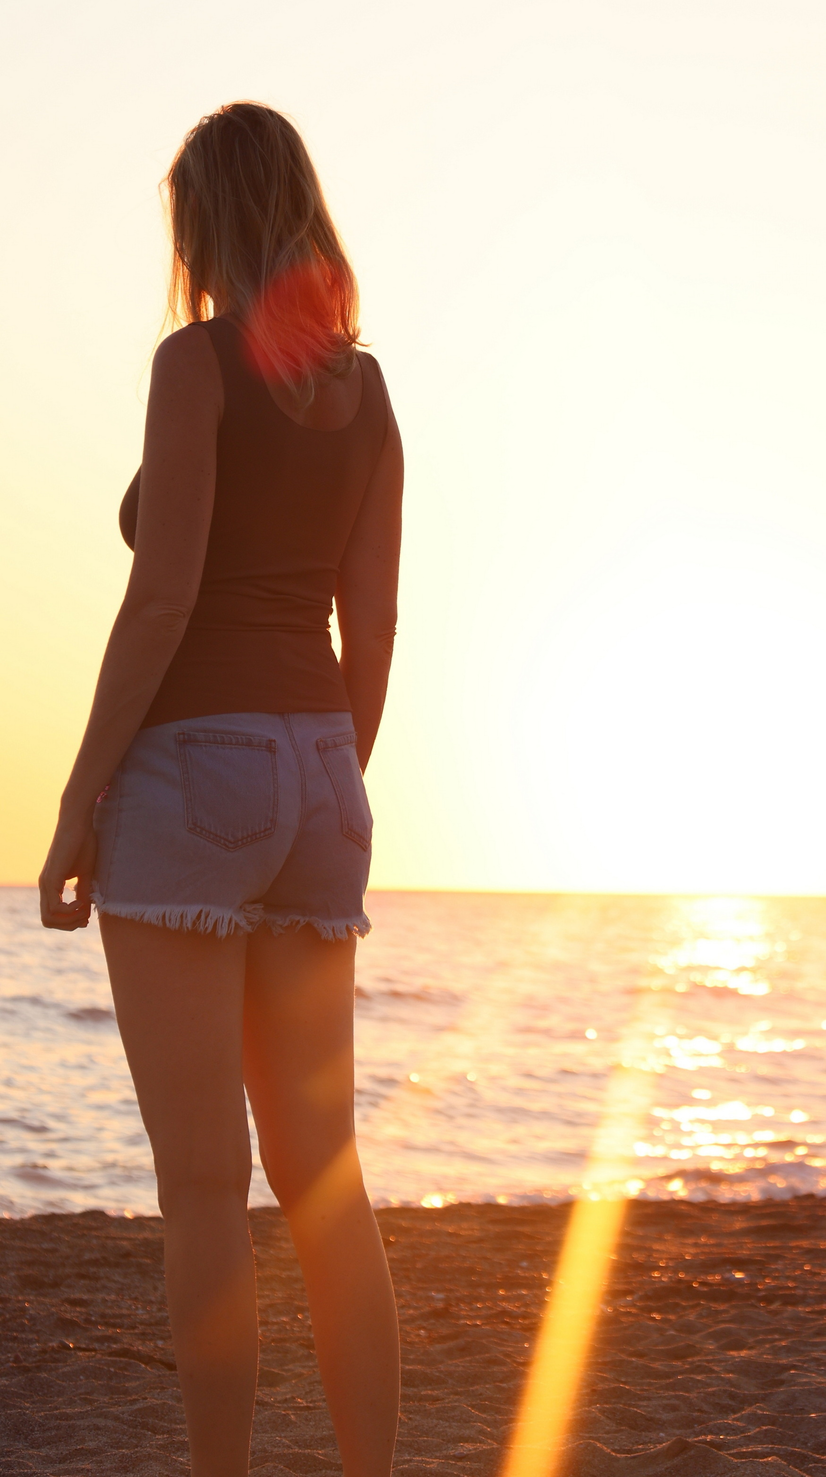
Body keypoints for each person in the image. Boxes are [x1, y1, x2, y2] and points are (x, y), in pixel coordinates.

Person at [38, 101, 403, 1477]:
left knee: (202, 1186)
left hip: (195, 765)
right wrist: (329, 778)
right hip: (322, 765)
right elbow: (373, 625)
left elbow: (164, 595)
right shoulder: (369, 394)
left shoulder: (194, 365)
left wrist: (77, 801)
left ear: (210, 220)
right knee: (326, 1177)